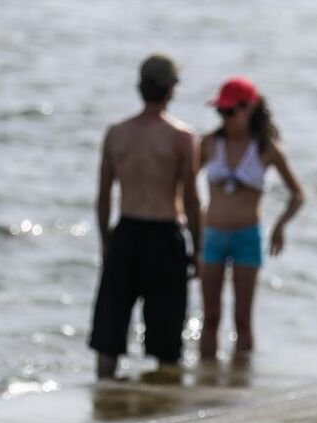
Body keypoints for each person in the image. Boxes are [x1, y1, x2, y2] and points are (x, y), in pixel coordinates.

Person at [89, 55, 203, 379]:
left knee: (108, 336)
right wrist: (199, 245)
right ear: (171, 90)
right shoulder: (182, 137)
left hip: (126, 232)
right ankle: (165, 401)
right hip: (165, 235)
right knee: (167, 339)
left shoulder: (116, 134)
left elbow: (102, 198)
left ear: (139, 87)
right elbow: (193, 201)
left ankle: (104, 394)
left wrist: (105, 241)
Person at [198, 77, 305, 360]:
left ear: (250, 109)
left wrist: (280, 227)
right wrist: (190, 222)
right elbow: (184, 187)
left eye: (231, 112)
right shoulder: (209, 143)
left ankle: (241, 389)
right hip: (213, 236)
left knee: (242, 319)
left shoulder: (267, 149)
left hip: (248, 236)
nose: (225, 118)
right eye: (220, 112)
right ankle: (204, 382)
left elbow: (298, 194)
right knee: (210, 318)